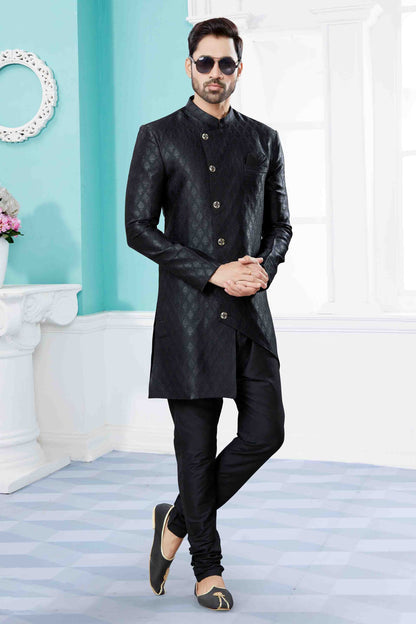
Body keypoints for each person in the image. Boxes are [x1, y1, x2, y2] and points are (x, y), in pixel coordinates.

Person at [125, 16, 293, 611]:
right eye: (205, 62)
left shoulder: (264, 139)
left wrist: (263, 267)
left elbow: (280, 225)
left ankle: (175, 519)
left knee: (266, 432)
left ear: (238, 69)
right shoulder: (158, 136)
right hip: (189, 317)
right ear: (189, 66)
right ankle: (207, 569)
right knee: (194, 451)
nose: (215, 73)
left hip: (249, 316)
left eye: (226, 63)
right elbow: (138, 228)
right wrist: (213, 272)